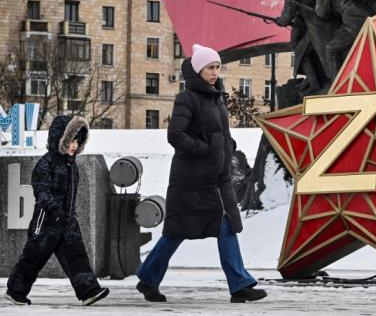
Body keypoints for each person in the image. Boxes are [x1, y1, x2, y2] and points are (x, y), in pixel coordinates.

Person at [135, 44, 267, 304]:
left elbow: (220, 133)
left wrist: (228, 147)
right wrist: (204, 149)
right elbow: (175, 134)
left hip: (217, 180)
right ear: (198, 70)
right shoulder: (188, 97)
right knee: (177, 231)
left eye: (217, 67)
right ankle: (148, 278)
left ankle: (240, 286)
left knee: (227, 226)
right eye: (210, 67)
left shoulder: (217, 96)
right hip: (191, 180)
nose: (215, 72)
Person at [5, 116, 110, 306]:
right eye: (70, 141)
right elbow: (41, 191)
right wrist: (54, 211)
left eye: (77, 141)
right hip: (46, 221)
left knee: (76, 254)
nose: (74, 146)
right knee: (34, 257)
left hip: (67, 220)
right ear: (59, 140)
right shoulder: (45, 164)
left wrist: (69, 216)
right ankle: (15, 291)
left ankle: (88, 290)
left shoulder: (72, 165)